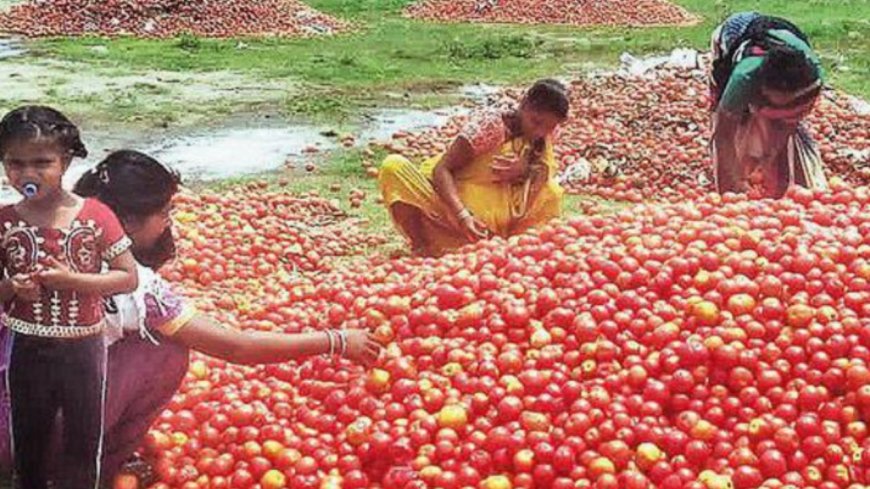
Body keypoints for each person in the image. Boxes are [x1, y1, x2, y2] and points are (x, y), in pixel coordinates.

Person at [0, 150, 383, 487]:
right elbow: (236, 346)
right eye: (165, 212)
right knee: (167, 348)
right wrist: (336, 340)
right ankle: (95, 469)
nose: (168, 222)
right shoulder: (136, 286)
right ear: (128, 223)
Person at [0, 106, 139, 489]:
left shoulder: (96, 216)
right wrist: (14, 288)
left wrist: (74, 281)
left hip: (83, 349)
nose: (27, 174)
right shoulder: (5, 220)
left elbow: (126, 278)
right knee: (29, 438)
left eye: (41, 162)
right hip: (26, 348)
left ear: (65, 161)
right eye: (15, 163)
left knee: (83, 440)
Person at [378, 79, 569, 256]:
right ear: (524, 104)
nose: (539, 132)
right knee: (394, 167)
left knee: (550, 191)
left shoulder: (548, 131)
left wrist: (525, 169)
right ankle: (423, 246)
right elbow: (442, 169)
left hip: (502, 220)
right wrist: (462, 215)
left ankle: (517, 244)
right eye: (535, 122)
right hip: (455, 212)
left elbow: (543, 170)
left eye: (548, 128)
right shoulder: (489, 126)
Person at [709, 12, 828, 198]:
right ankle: (726, 192)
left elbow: (789, 124)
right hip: (734, 34)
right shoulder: (744, 77)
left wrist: (771, 153)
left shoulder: (812, 80)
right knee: (738, 125)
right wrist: (733, 190)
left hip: (782, 34)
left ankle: (785, 190)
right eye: (772, 101)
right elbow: (723, 134)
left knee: (779, 135)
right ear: (761, 88)